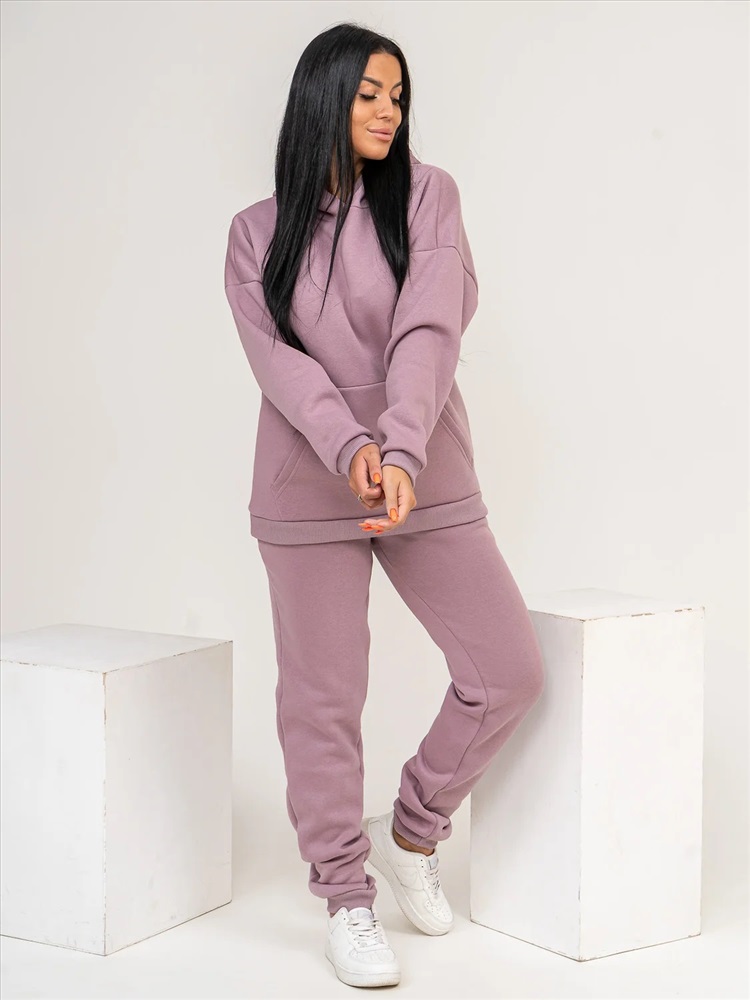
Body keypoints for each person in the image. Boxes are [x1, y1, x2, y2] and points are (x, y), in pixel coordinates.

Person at [223, 22, 545, 989]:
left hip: (425, 471)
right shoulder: (255, 232)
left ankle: (413, 832)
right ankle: (346, 899)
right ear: (320, 97)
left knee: (506, 669)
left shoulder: (428, 196)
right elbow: (282, 367)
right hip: (307, 487)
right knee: (322, 702)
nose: (388, 112)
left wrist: (399, 448)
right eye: (368, 93)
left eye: (397, 96)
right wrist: (353, 447)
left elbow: (428, 328)